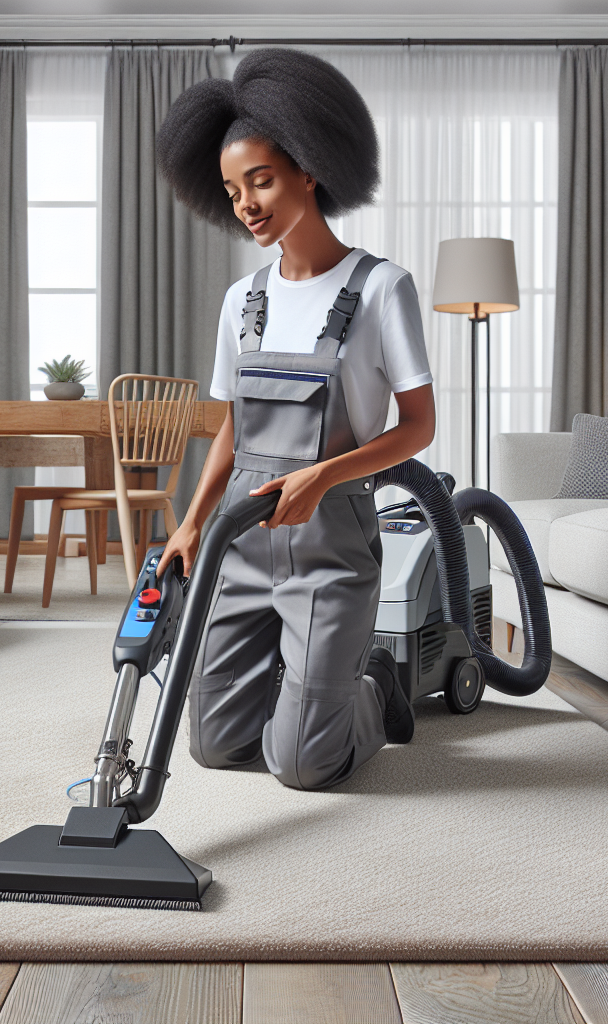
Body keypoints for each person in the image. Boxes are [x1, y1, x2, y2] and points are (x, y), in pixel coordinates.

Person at [154, 49, 435, 791]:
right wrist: (191, 522)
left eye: (262, 180)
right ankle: (315, 688)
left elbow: (417, 429)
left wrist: (326, 473)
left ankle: (373, 687)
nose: (246, 203)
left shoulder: (381, 288)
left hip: (330, 547)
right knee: (215, 746)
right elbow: (233, 429)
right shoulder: (243, 299)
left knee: (305, 767)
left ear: (309, 168)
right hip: (240, 546)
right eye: (231, 189)